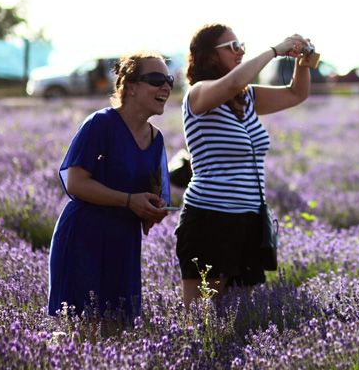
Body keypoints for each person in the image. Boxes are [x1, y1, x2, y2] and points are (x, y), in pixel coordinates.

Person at [175, 23, 316, 306]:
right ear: (209, 56)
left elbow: (295, 94)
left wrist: (302, 62)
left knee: (240, 316)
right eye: (232, 47)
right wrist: (276, 51)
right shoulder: (199, 93)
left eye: (241, 46)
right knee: (202, 317)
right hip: (211, 218)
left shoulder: (247, 96)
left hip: (249, 219)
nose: (239, 52)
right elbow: (230, 84)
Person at [47, 52, 173, 325]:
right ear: (130, 86)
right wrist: (129, 201)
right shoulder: (100, 124)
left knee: (118, 332)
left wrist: (152, 209)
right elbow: (75, 183)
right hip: (84, 238)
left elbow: (151, 192)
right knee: (81, 331)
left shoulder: (156, 138)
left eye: (169, 80)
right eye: (156, 79)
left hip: (124, 242)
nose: (166, 87)